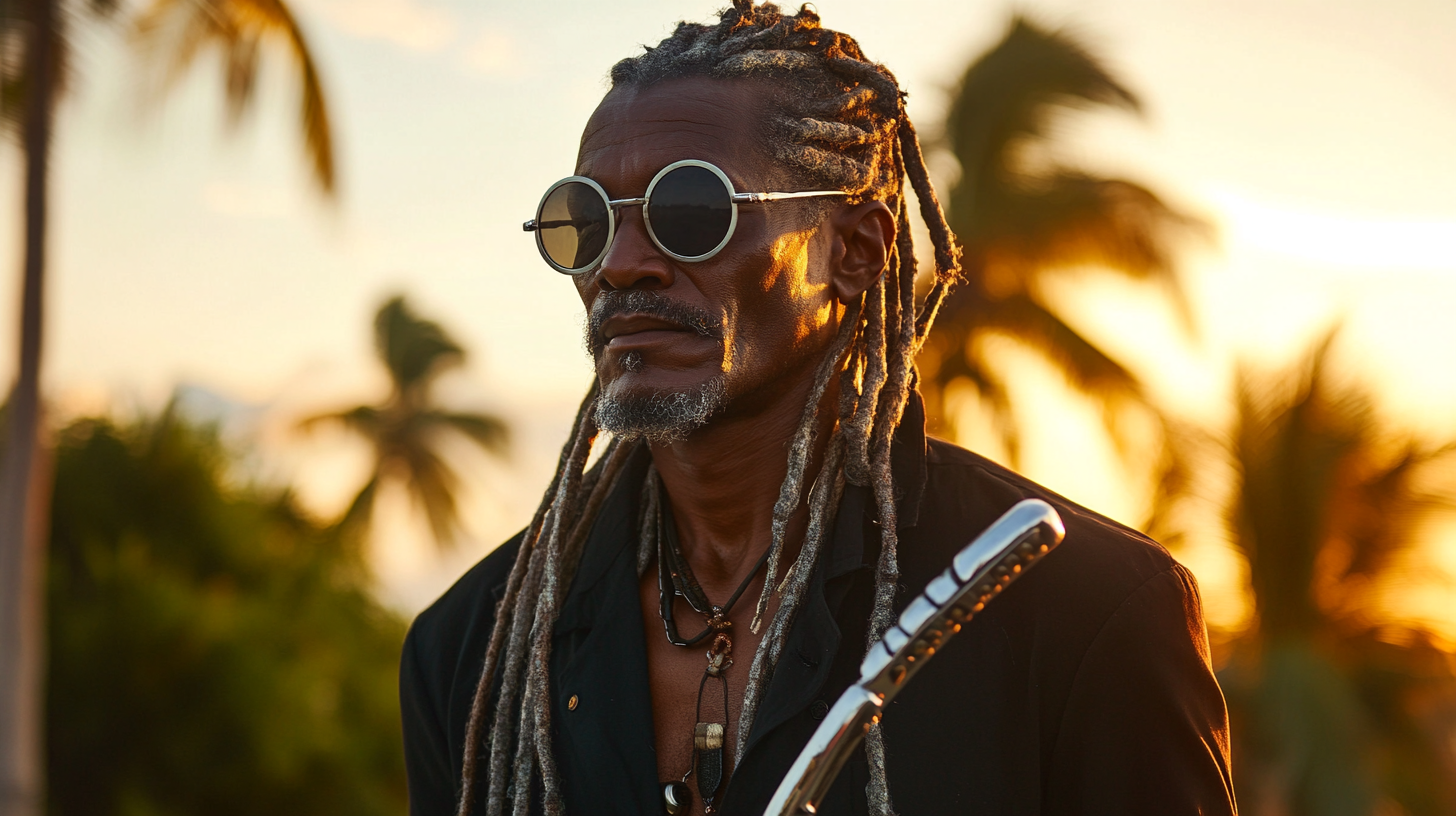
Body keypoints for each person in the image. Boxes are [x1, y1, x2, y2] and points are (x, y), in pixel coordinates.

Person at [400, 3, 1237, 815]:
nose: (619, 265)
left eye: (689, 211)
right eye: (583, 221)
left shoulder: (1083, 615)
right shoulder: (472, 651)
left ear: (857, 252)